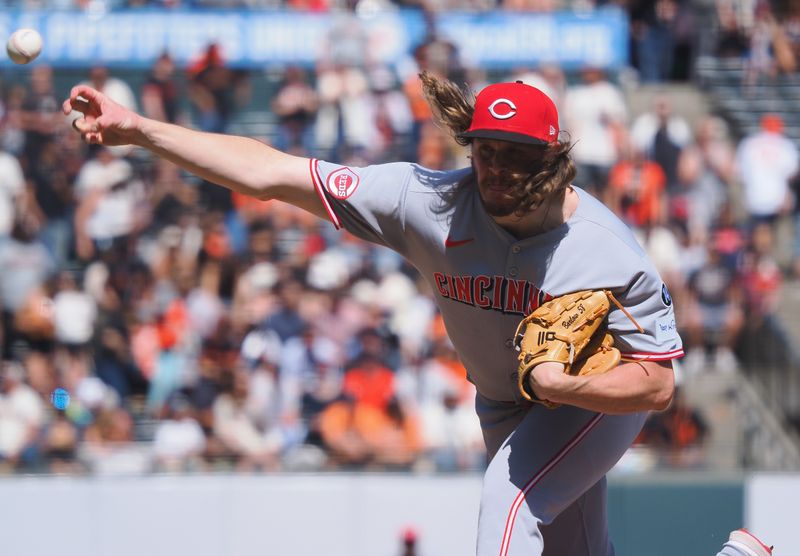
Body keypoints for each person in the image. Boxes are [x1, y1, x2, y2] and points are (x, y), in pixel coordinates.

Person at [64, 75, 769, 555]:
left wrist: (566, 387)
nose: (493, 169)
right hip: (503, 398)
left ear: (552, 161)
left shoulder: (608, 253)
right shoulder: (425, 202)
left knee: (511, 498)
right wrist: (140, 130)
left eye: (515, 157)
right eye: (484, 151)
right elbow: (273, 171)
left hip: (592, 402)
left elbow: (657, 386)